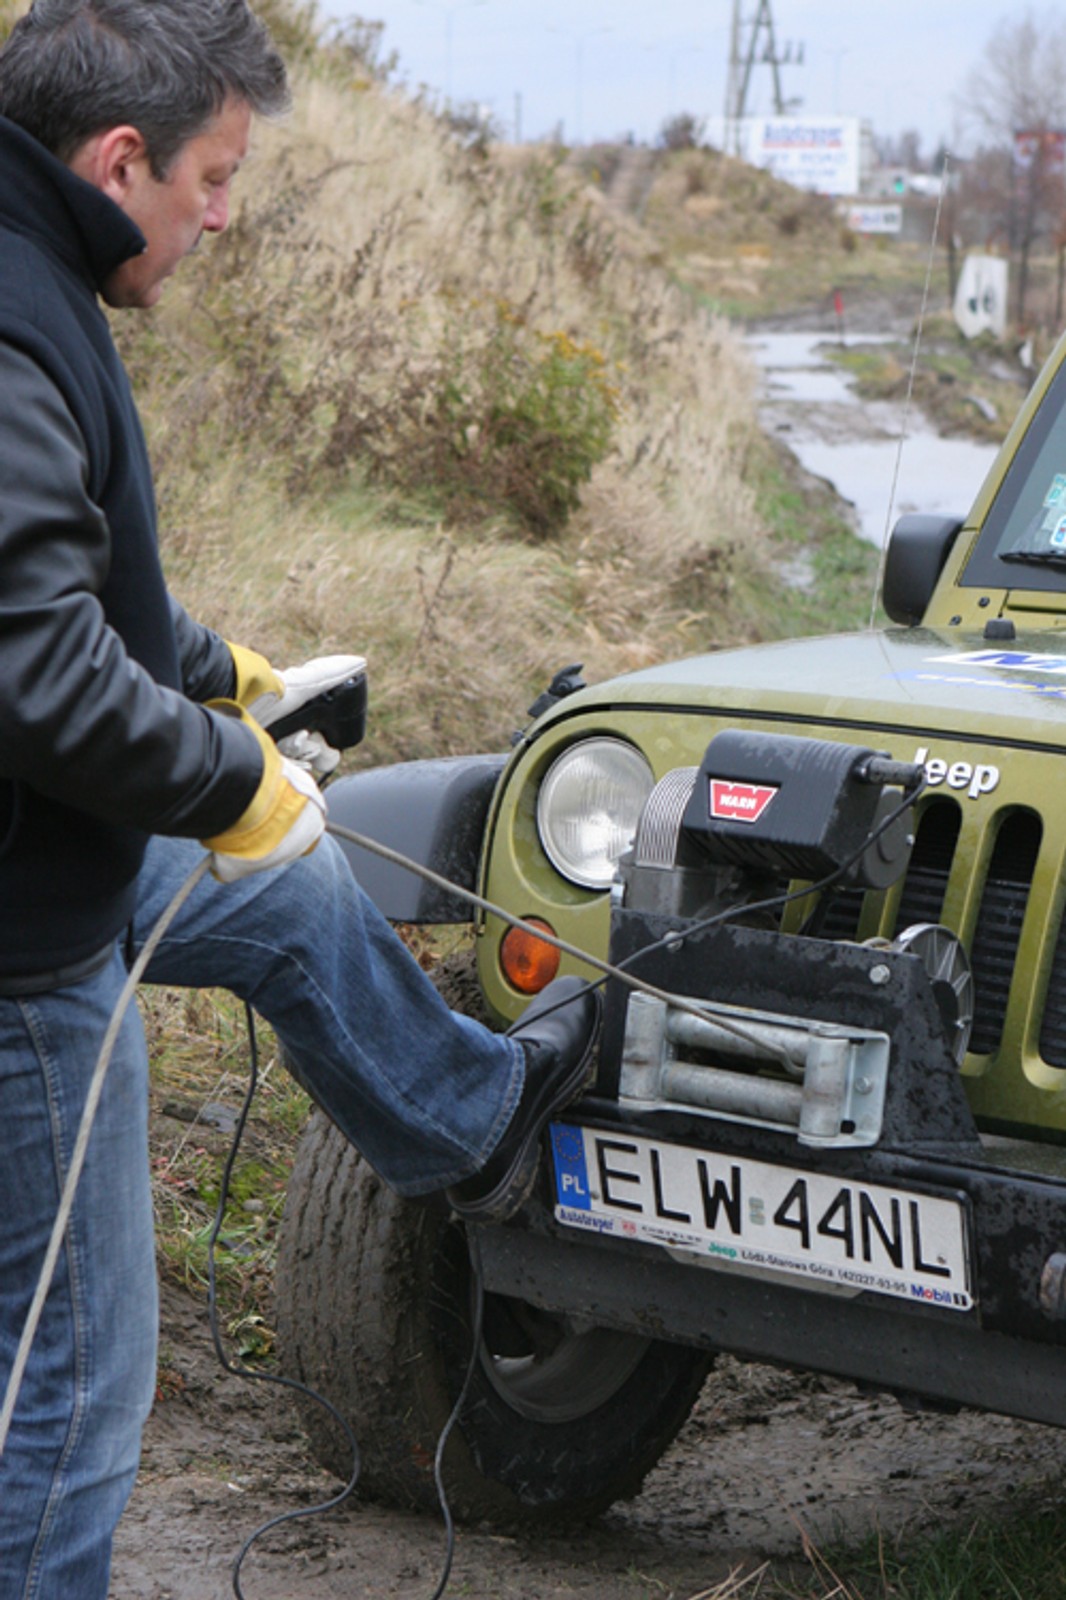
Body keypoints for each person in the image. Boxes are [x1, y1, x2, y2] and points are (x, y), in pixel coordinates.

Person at [0, 1, 599, 1594]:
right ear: (120, 158)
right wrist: (228, 779)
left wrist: (222, 676)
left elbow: (63, 578)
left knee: (282, 896)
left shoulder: (29, 270)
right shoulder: (8, 322)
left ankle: (469, 1119)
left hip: (47, 843)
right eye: (211, 177)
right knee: (67, 1397)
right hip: (20, 937)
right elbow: (38, 680)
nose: (220, 216)